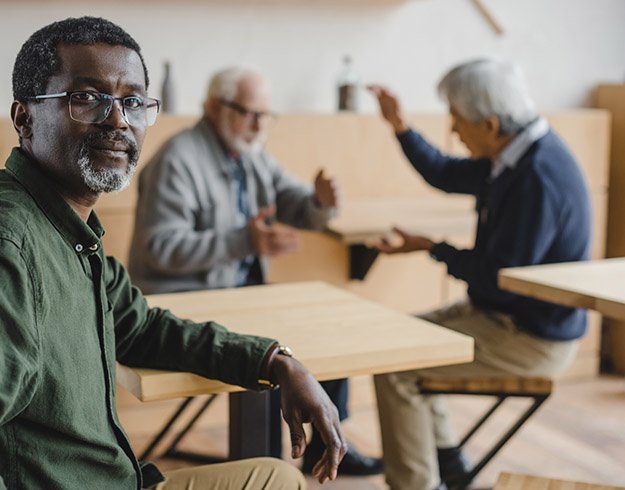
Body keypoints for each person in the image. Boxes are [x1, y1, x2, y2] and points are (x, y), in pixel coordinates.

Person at [0, 16, 348, 490]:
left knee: (276, 477)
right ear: (24, 118)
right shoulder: (12, 241)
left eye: (133, 102)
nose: (119, 119)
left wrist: (274, 361)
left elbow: (141, 328)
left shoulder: (72, 229)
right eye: (87, 97)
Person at [128, 66, 383, 476]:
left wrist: (320, 202)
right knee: (284, 340)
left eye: (266, 115)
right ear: (214, 107)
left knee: (326, 323)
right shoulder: (177, 160)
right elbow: (159, 250)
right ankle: (262, 466)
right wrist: (245, 241)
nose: (259, 124)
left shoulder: (251, 153)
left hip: (241, 294)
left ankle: (326, 438)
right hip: (184, 302)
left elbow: (294, 201)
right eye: (249, 113)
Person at [368, 59, 592, 490]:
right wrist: (400, 126)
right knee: (395, 344)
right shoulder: (513, 154)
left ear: (490, 124)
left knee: (396, 368)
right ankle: (450, 467)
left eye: (457, 121)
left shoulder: (536, 177)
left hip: (531, 338)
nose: (453, 131)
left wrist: (433, 248)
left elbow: (498, 279)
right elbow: (445, 172)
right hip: (503, 317)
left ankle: (418, 484)